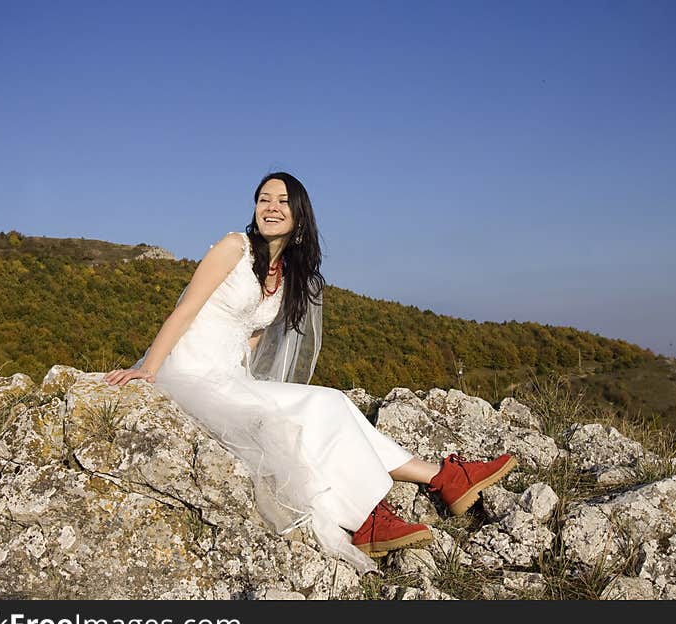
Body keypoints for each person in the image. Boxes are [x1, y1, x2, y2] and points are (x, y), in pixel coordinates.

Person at [104, 171, 517, 573]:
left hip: (229, 376)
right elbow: (187, 307)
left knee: (320, 410)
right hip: (192, 372)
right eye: (264, 199)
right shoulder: (234, 247)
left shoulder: (284, 277)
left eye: (282, 201)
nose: (271, 207)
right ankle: (388, 507)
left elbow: (251, 337)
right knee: (324, 404)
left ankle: (437, 481)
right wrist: (150, 369)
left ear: (299, 214)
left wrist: (249, 382)